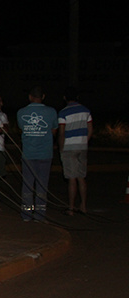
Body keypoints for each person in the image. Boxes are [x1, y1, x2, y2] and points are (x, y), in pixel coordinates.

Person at [16, 86, 58, 222]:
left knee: (27, 185)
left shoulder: (21, 112)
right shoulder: (51, 112)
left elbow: (22, 129)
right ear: (43, 96)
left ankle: (26, 214)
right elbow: (53, 130)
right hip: (45, 153)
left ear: (30, 97)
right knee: (42, 186)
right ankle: (40, 214)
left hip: (28, 153)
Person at [58, 87, 93, 215]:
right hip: (82, 146)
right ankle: (83, 205)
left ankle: (71, 207)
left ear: (65, 98)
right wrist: (84, 140)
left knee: (71, 178)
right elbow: (90, 129)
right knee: (81, 177)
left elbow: (62, 132)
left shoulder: (63, 113)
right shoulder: (86, 111)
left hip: (69, 146)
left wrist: (61, 148)